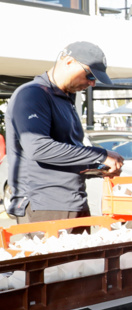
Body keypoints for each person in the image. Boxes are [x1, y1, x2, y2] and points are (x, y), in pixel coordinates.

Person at [5, 42, 124, 222]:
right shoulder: (32, 94)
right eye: (90, 75)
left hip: (73, 201)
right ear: (68, 62)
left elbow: (68, 151)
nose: (92, 83)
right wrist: (100, 155)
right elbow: (38, 148)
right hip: (44, 204)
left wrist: (98, 167)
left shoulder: (65, 98)